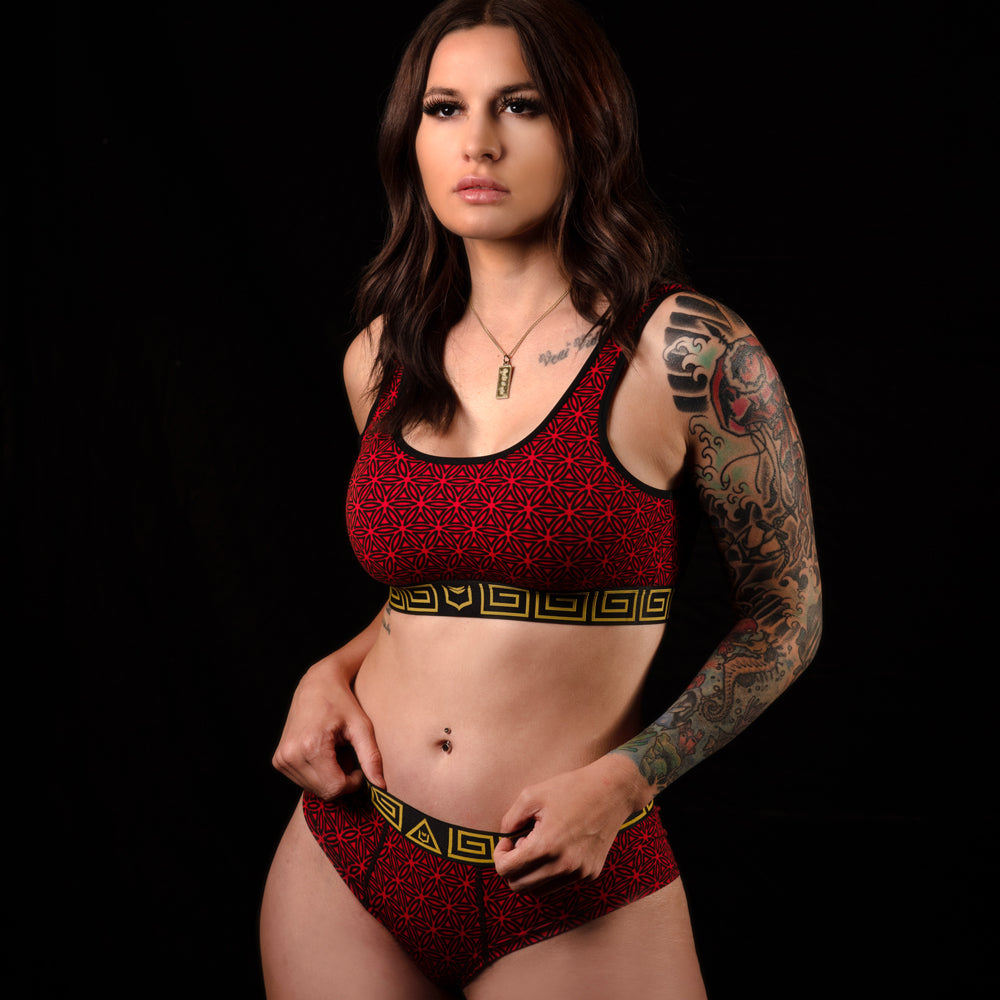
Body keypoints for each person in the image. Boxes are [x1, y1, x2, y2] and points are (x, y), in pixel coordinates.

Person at [259, 1, 822, 997]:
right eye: (444, 108)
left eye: (520, 105)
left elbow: (787, 616)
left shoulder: (684, 350)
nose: (477, 141)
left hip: (571, 879)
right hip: (350, 852)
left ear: (586, 128)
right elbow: (431, 595)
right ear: (410, 138)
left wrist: (628, 779)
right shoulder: (381, 355)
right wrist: (328, 670)